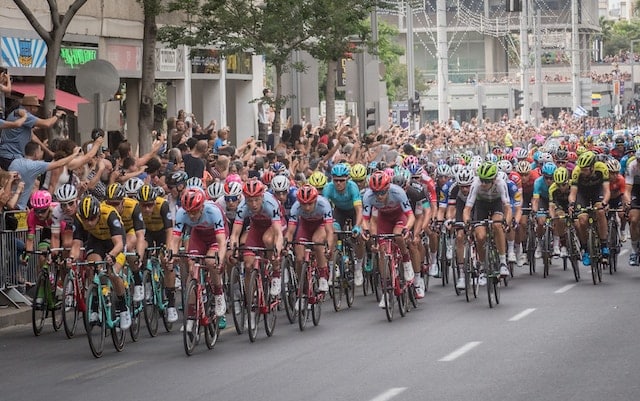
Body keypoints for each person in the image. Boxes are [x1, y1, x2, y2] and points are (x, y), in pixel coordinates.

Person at [70, 195, 131, 330]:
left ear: (98, 213)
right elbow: (76, 244)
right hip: (96, 240)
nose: (89, 223)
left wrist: (112, 255)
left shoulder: (109, 214)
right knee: (92, 267)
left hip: (115, 242)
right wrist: (71, 258)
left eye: (92, 218)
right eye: (86, 220)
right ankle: (95, 305)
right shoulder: (79, 218)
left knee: (113, 273)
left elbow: (119, 243)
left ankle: (123, 308)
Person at [172, 188, 228, 328]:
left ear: (202, 206)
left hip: (215, 235)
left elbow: (221, 241)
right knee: (192, 269)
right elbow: (175, 239)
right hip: (198, 235)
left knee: (211, 260)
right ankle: (191, 314)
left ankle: (218, 294)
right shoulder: (181, 213)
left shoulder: (213, 211)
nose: (191, 215)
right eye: (188, 211)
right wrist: (171, 256)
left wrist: (219, 259)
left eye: (195, 211)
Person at [361, 171, 415, 308]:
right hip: (384, 219)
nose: (379, 196)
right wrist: (366, 231)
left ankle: (406, 261)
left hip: (399, 217)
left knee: (398, 235)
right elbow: (366, 220)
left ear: (388, 188)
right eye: (376, 193)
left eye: (382, 192)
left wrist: (407, 228)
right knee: (382, 252)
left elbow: (411, 216)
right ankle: (386, 290)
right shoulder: (368, 196)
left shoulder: (398, 192)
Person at [463, 162, 512, 282]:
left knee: (497, 225)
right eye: (482, 180)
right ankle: (483, 266)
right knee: (480, 236)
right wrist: (467, 223)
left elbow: (507, 207)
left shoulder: (501, 183)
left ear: (494, 179)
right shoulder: (476, 184)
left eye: (487, 181)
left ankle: (502, 263)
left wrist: (507, 222)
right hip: (481, 205)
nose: (483, 183)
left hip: (496, 204)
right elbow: (467, 209)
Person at [138, 184, 178, 323]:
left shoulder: (163, 205)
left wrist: (167, 250)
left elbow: (169, 231)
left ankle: (171, 303)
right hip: (148, 233)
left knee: (166, 263)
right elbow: (138, 234)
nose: (147, 209)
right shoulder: (137, 209)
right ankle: (147, 283)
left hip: (163, 233)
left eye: (150, 205)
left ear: (155, 201)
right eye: (144, 205)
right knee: (140, 253)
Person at [286, 184, 334, 293]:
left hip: (320, 224)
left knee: (317, 241)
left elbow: (329, 231)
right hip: (305, 226)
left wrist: (329, 247)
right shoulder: (296, 207)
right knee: (299, 258)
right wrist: (287, 244)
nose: (307, 208)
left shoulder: (324, 204)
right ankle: (303, 287)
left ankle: (323, 275)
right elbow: (290, 231)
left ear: (315, 201)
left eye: (310, 204)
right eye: (304, 204)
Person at [9, 141, 80, 210]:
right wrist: (74, 154)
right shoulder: (34, 165)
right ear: (36, 153)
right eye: (41, 150)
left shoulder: (15, 162)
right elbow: (58, 164)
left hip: (8, 202)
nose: (42, 153)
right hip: (19, 207)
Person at [568, 151, 610, 266]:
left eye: (585, 169)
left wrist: (605, 202)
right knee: (582, 219)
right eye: (581, 168)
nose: (582, 171)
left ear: (592, 167)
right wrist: (571, 204)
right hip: (583, 194)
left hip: (597, 191)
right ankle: (586, 248)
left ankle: (604, 244)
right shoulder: (577, 171)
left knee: (600, 211)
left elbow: (606, 190)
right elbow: (573, 193)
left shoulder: (602, 168)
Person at [0, 95, 60, 170]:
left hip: (8, 155)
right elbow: (46, 124)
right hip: (12, 156)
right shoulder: (24, 115)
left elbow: (32, 137)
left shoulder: (17, 113)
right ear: (32, 107)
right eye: (36, 107)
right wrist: (57, 116)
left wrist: (48, 152)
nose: (37, 110)